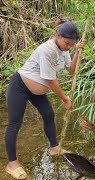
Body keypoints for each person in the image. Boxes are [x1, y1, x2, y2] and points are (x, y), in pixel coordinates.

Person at [5, 18, 85, 179]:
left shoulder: (66, 49)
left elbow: (71, 70)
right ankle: (12, 163)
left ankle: (54, 148)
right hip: (20, 86)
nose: (68, 46)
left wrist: (76, 52)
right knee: (15, 124)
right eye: (67, 43)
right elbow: (50, 81)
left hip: (37, 91)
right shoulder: (47, 50)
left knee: (49, 115)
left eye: (72, 44)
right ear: (58, 35)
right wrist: (65, 99)